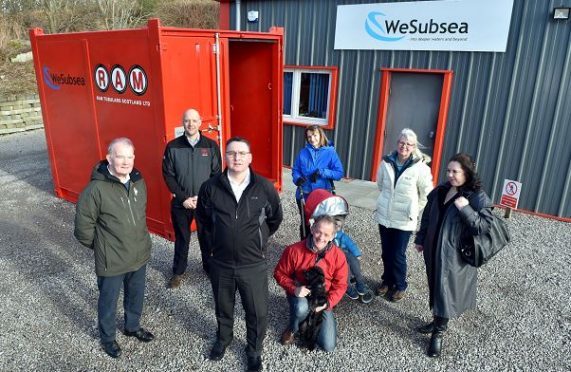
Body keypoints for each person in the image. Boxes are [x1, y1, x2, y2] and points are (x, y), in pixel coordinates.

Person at [195, 137, 283, 372]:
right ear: (225, 156)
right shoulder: (210, 187)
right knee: (223, 306)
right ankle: (223, 339)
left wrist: (258, 240)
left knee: (257, 311)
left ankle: (253, 350)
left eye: (242, 153)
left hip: (253, 263)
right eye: (232, 153)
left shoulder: (264, 187)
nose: (237, 157)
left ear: (250, 158)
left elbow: (275, 218)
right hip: (221, 263)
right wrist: (212, 248)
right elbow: (203, 221)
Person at [74, 137, 154, 359]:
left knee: (135, 294)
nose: (126, 161)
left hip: (138, 253)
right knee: (108, 301)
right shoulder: (95, 189)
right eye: (120, 156)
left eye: (130, 156)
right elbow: (83, 228)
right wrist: (102, 246)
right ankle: (108, 338)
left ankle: (132, 326)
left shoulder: (138, 181)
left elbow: (140, 215)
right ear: (109, 158)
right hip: (112, 260)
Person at [414, 153, 494, 358]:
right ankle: (436, 320)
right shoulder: (442, 190)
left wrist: (466, 209)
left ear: (466, 173)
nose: (450, 175)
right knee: (435, 286)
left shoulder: (477, 197)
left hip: (453, 256)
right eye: (448, 170)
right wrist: (421, 238)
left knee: (445, 291)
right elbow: (427, 215)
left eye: (455, 171)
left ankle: (438, 334)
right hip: (433, 250)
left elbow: (483, 227)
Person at [162, 108, 221, 288]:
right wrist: (183, 198)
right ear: (183, 122)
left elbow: (216, 174)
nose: (191, 124)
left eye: (194, 120)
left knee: (207, 236)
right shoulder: (173, 146)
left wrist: (202, 197)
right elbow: (168, 175)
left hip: (205, 203)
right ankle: (178, 272)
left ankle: (209, 267)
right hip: (182, 203)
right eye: (187, 120)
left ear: (200, 121)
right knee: (182, 238)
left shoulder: (211, 146)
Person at [373, 128, 433, 302]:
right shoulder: (386, 162)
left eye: (408, 144)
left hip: (404, 220)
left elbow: (427, 194)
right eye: (401, 142)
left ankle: (400, 285)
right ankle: (387, 280)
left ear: (414, 147)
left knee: (398, 254)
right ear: (397, 143)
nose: (404, 146)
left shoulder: (420, 168)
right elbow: (380, 185)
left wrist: (414, 209)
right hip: (385, 216)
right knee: (386, 252)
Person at [274, 214, 348, 352]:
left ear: (332, 236)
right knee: (301, 308)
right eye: (318, 231)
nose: (321, 237)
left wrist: (328, 303)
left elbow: (341, 285)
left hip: (321, 298)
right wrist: (294, 288)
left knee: (328, 346)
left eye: (326, 234)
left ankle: (310, 316)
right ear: (312, 229)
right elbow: (279, 273)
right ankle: (292, 328)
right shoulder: (293, 250)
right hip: (300, 293)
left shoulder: (339, 256)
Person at [292, 125, 344, 238]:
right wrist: (297, 178)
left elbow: (339, 173)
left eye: (314, 135)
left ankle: (321, 249)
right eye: (309, 136)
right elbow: (296, 170)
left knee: (322, 224)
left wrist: (322, 172)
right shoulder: (303, 152)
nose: (312, 139)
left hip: (322, 196)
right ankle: (304, 246)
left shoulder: (330, 153)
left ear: (320, 135)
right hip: (304, 195)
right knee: (305, 223)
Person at [332, 215, 374, 304]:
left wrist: (357, 254)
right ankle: (347, 287)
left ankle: (360, 283)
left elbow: (351, 244)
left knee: (353, 260)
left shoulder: (342, 236)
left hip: (345, 255)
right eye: (334, 224)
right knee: (345, 268)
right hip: (334, 258)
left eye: (338, 226)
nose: (336, 227)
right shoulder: (327, 235)